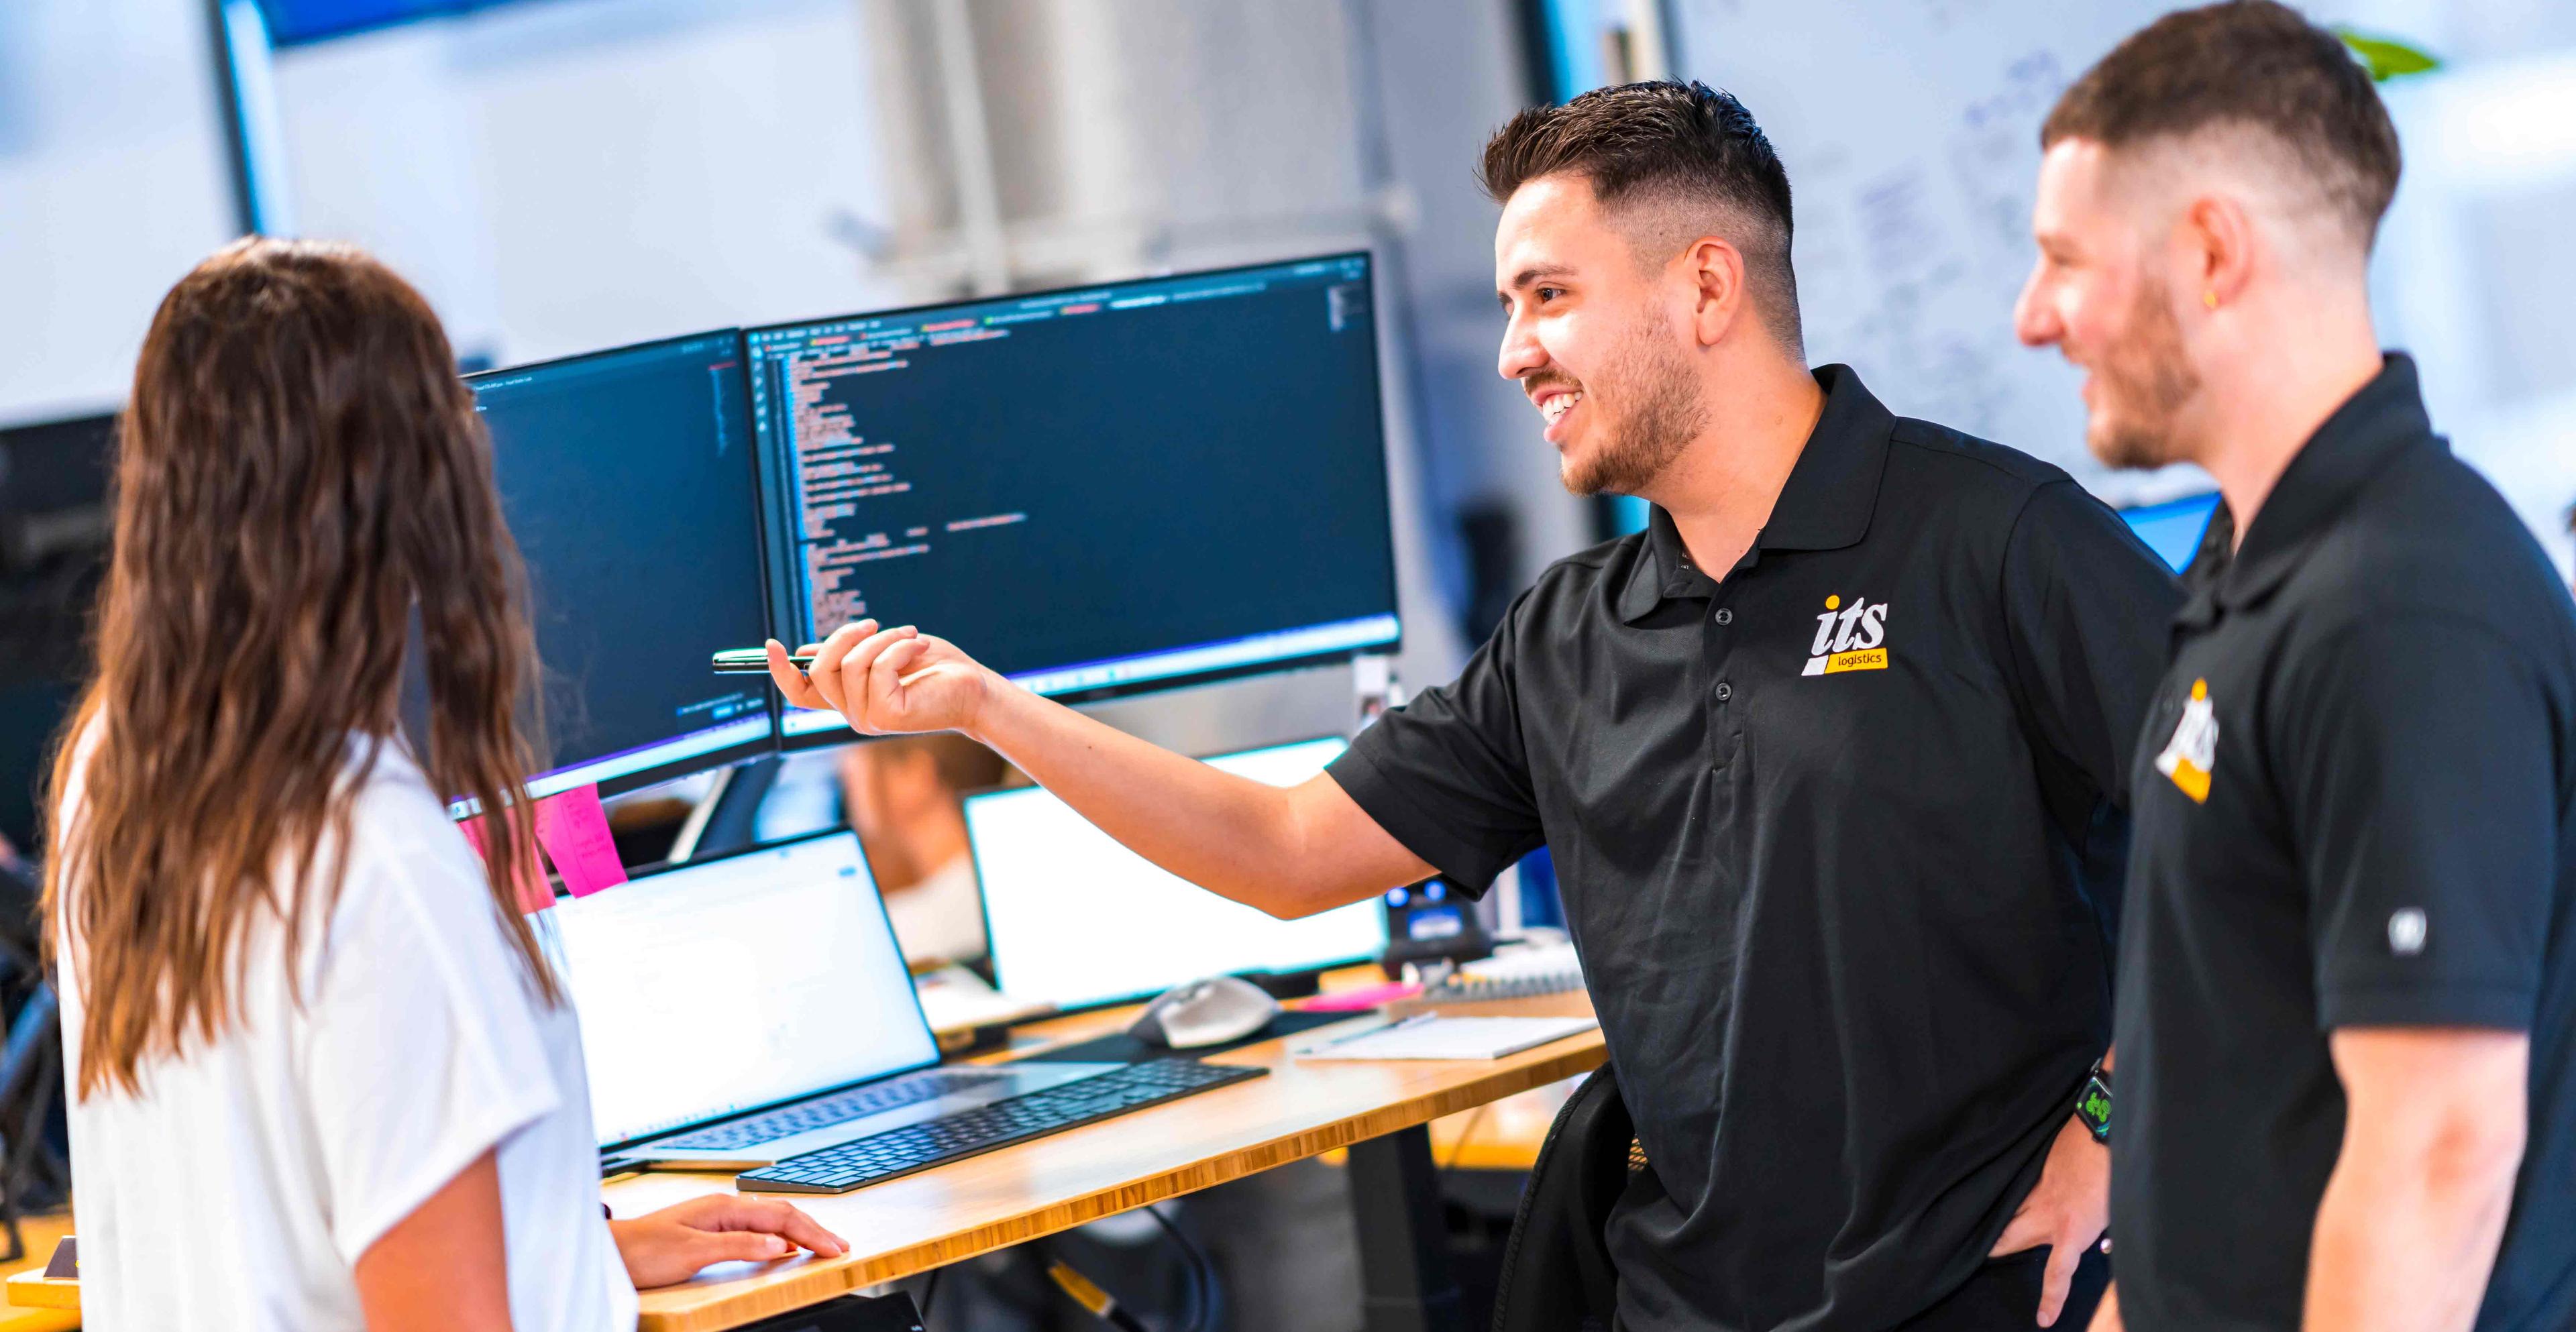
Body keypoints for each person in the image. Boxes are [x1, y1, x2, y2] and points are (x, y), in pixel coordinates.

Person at [770, 81, 2182, 1331]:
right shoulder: (1570, 635)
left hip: (1984, 1293)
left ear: (1705, 290)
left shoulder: (1994, 541)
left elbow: (2265, 844)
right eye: (1513, 303)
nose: (1514, 351)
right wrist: (988, 711)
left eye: (1549, 295)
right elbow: (1282, 854)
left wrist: (2118, 1128)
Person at [42, 237, 845, 1331]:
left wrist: (583, 1255)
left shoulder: (117, 770)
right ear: (419, 490)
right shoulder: (376, 861)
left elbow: (280, 1215)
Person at [2012, 5, 2576, 1330]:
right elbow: (2229, 1029)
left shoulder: (2404, 608)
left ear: (2211, 252)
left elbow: (2434, 1154)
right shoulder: (2249, 560)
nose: (2036, 319)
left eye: (2064, 261)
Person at [839, 734, 1007, 965]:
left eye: (850, 778)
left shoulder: (889, 935)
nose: (849, 799)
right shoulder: (1011, 889)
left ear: (916, 776)